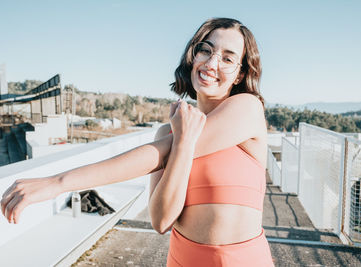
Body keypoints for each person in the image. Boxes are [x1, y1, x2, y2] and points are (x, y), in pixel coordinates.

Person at [1, 18, 274, 266]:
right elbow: (161, 221)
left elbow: (159, 154)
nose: (212, 63)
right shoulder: (169, 133)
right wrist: (182, 142)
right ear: (193, 55)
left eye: (228, 59)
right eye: (206, 50)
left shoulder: (247, 108)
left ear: (239, 74)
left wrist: (57, 183)